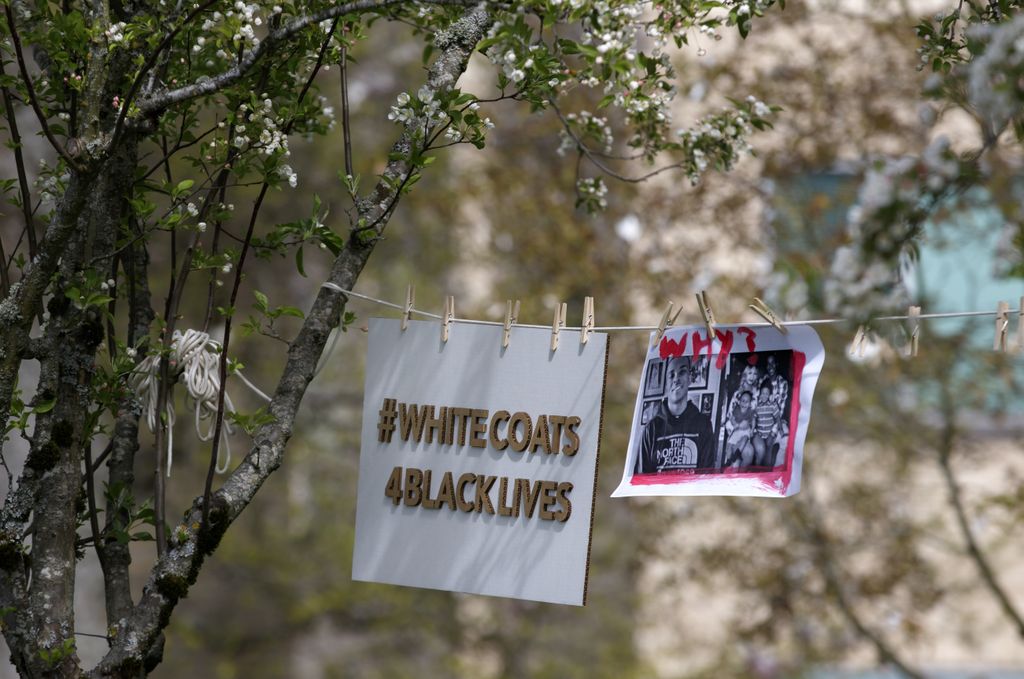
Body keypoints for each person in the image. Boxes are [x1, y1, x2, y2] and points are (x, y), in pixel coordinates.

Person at [634, 355, 716, 474]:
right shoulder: (651, 429)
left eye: (682, 372)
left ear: (689, 378)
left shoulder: (703, 424)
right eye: (671, 375)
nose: (676, 379)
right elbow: (642, 479)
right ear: (666, 383)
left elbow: (707, 476)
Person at [723, 390, 756, 468]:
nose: (744, 403)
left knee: (744, 439)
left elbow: (753, 420)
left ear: (750, 404)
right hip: (737, 430)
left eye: (747, 402)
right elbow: (732, 418)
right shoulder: (736, 409)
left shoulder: (750, 411)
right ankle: (728, 459)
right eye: (742, 401)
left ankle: (737, 453)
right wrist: (734, 423)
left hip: (746, 430)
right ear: (739, 402)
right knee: (730, 443)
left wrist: (752, 429)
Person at [751, 383, 780, 467]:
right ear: (759, 394)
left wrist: (776, 431)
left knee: (768, 448)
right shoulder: (757, 407)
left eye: (766, 394)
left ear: (770, 395)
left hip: (770, 433)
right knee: (761, 451)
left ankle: (767, 466)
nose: (764, 395)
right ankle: (757, 469)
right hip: (760, 433)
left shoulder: (772, 405)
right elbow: (754, 418)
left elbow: (778, 418)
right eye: (762, 393)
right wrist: (753, 428)